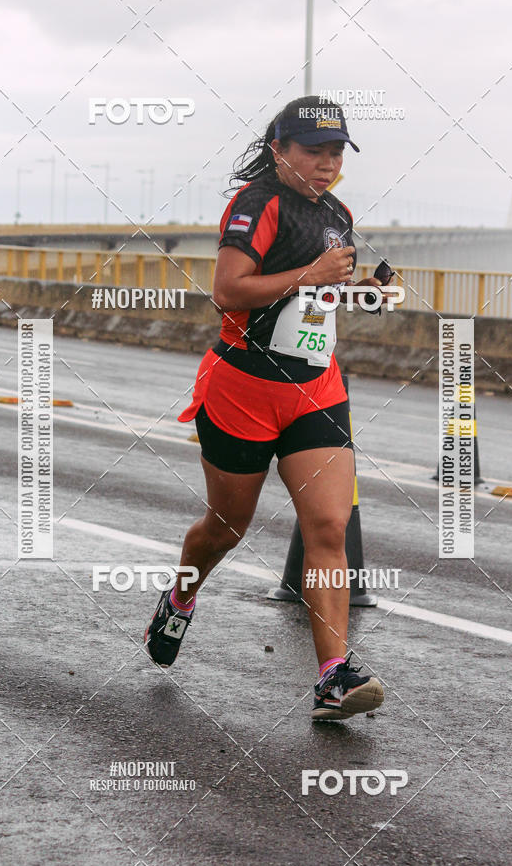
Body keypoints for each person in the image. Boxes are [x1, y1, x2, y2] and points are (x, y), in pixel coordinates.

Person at [145, 96, 391, 721]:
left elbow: (317, 299)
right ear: (280, 151)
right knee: (226, 528)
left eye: (337, 151)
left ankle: (333, 677)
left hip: (315, 389)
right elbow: (228, 290)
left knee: (330, 529)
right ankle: (180, 597)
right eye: (314, 151)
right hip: (244, 387)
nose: (328, 162)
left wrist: (361, 294)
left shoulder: (338, 213)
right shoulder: (258, 204)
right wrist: (311, 272)